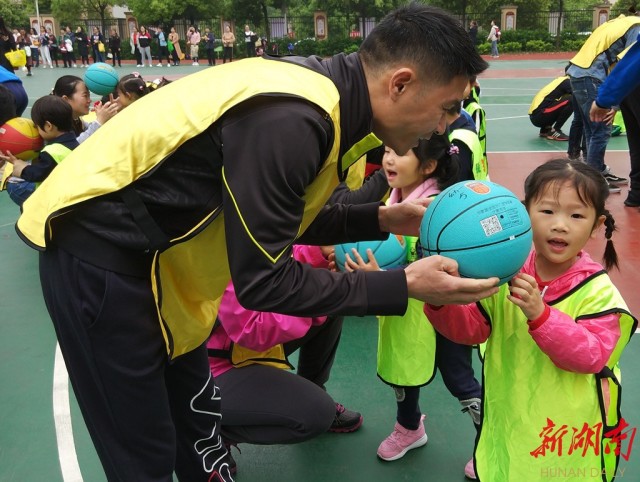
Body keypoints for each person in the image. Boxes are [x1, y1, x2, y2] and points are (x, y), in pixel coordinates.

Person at [15, 5, 496, 481]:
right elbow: (265, 283)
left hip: (162, 266)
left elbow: (274, 218)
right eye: (449, 107)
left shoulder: (321, 100)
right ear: (401, 83)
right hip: (103, 262)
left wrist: (383, 216)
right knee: (145, 455)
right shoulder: (294, 118)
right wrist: (404, 285)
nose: (444, 126)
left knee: (198, 432)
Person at [425, 158, 636, 482]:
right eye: (548, 211)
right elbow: (471, 330)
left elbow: (592, 356)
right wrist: (441, 301)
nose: (560, 224)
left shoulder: (598, 293)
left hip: (566, 434)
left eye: (576, 215)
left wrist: (542, 316)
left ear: (596, 225)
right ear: (523, 214)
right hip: (512, 420)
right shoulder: (505, 272)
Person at [342, 134, 482, 479]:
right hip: (405, 313)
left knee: (460, 379)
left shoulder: (441, 211)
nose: (389, 159)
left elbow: (450, 266)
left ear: (429, 166)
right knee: (404, 372)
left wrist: (385, 276)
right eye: (388, 150)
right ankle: (409, 428)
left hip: (444, 309)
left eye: (400, 152)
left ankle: (488, 439)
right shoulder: (389, 200)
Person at [566, 14, 640, 192]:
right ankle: (594, 182)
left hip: (577, 72)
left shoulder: (617, 22)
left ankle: (595, 171)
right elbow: (626, 62)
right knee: (601, 129)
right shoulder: (636, 26)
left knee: (591, 129)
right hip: (592, 75)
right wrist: (613, 102)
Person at [590, 32, 640, 207]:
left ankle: (636, 194)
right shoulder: (632, 24)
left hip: (630, 85)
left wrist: (609, 97)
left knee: (637, 144)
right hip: (630, 79)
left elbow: (630, 58)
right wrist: (605, 99)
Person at [1, 96, 78, 207]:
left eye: (37, 126)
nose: (36, 131)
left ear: (48, 126)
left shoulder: (52, 151)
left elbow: (38, 174)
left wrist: (22, 168)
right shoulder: (74, 142)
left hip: (56, 202)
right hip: (71, 195)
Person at [52, 75, 119, 143]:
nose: (89, 100)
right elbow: (72, 146)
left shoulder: (75, 119)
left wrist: (108, 115)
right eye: (85, 96)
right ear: (65, 99)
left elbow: (89, 129)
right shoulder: (55, 124)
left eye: (89, 96)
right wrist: (99, 121)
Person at [528, 76, 573, 140]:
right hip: (540, 115)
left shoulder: (561, 80)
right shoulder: (567, 82)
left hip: (536, 116)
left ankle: (545, 129)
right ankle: (555, 130)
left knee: (562, 101)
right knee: (572, 100)